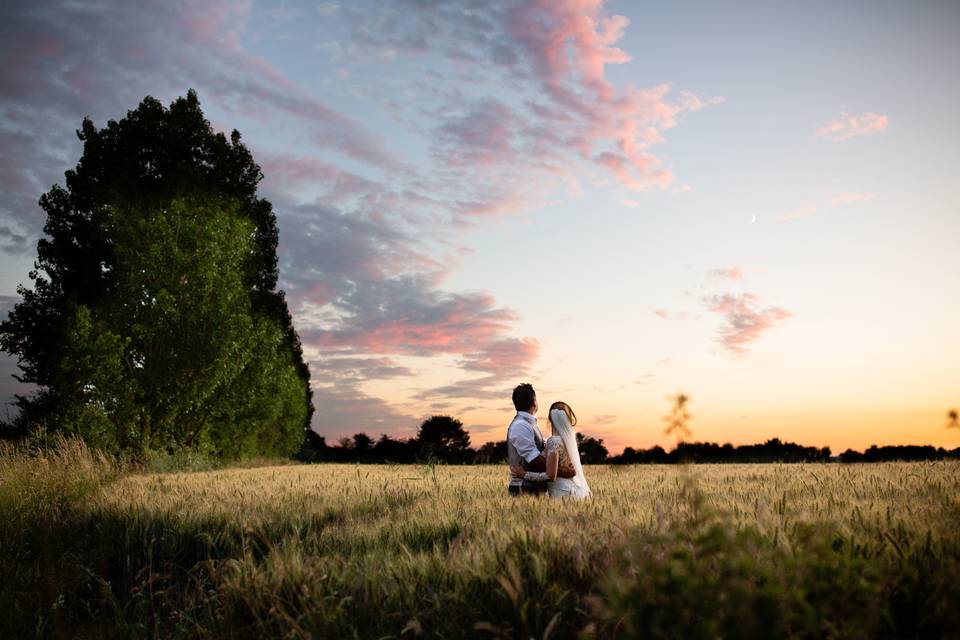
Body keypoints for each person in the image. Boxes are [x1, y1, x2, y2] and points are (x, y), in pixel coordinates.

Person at [511, 401, 592, 499]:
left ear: (550, 420)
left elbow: (550, 476)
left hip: (561, 493)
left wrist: (524, 474)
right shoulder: (568, 442)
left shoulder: (554, 441)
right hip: (571, 489)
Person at [506, 383, 576, 496]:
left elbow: (544, 452)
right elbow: (535, 461)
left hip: (535, 487)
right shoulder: (521, 425)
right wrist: (564, 471)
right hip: (524, 488)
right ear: (534, 403)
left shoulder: (530, 423)